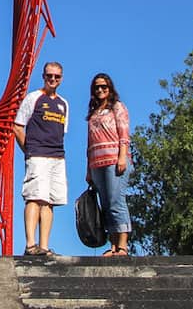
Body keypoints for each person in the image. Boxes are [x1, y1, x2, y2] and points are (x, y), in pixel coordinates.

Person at [14, 61, 69, 256]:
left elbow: (62, 131)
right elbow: (18, 126)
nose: (53, 79)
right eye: (49, 76)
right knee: (34, 197)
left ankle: (44, 247)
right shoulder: (34, 98)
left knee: (49, 201)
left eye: (57, 76)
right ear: (43, 77)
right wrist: (28, 149)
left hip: (57, 156)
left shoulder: (63, 104)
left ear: (61, 79)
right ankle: (31, 244)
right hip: (37, 155)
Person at [85, 72, 132, 256]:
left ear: (110, 88)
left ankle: (122, 245)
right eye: (97, 87)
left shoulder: (117, 107)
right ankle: (112, 245)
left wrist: (122, 157)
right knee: (105, 204)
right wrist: (88, 169)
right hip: (97, 163)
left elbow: (124, 134)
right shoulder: (94, 113)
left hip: (114, 160)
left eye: (104, 86)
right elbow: (89, 144)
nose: (100, 90)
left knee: (116, 201)